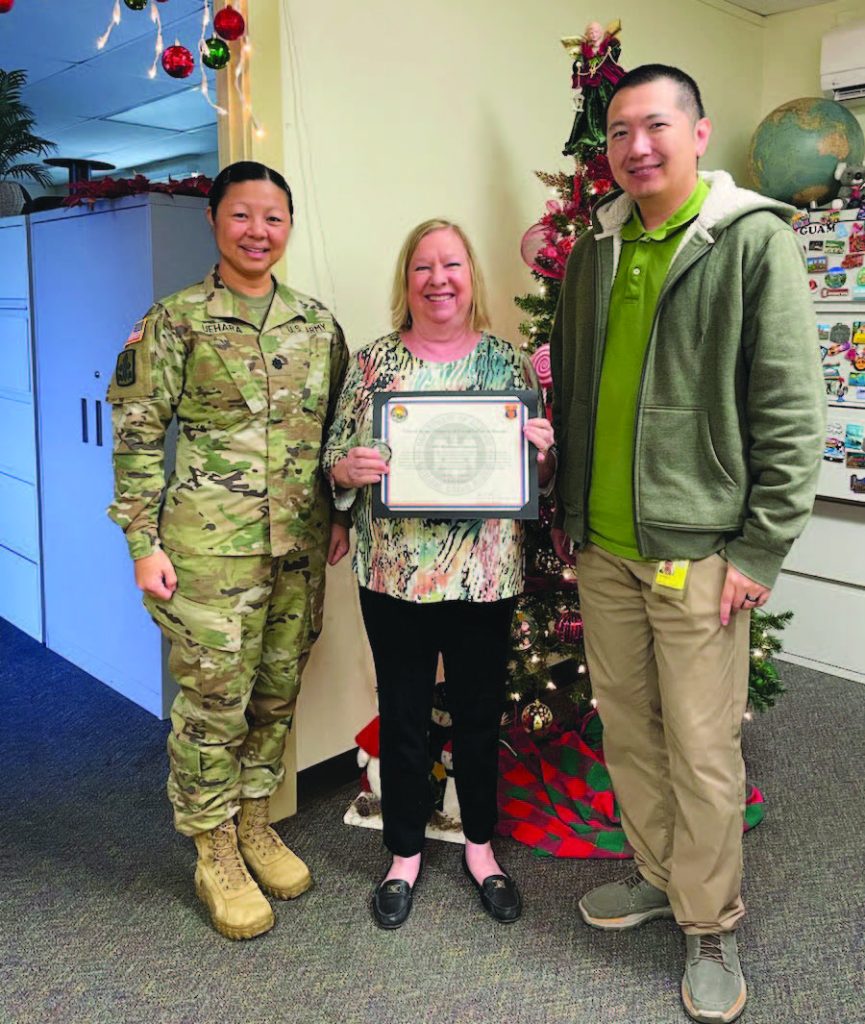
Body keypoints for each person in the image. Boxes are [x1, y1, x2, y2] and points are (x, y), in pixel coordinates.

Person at [549, 66, 824, 1023]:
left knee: (704, 749)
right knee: (628, 729)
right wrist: (567, 506)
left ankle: (709, 922)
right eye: (619, 132)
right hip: (605, 549)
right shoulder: (596, 248)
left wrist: (757, 553)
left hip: (700, 551)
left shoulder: (751, 243)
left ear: (698, 133)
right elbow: (575, 390)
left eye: (655, 126)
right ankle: (661, 875)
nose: (635, 147)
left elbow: (791, 414)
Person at [106, 161, 349, 941]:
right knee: (214, 705)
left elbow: (335, 436)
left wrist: (338, 512)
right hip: (209, 554)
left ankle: (251, 822)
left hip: (298, 550)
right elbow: (138, 439)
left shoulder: (317, 324)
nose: (258, 232)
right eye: (242, 215)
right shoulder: (173, 321)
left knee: (276, 696)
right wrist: (142, 543)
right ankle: (212, 849)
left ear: (288, 226)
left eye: (273, 217)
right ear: (213, 221)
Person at [323, 219, 555, 929]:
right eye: (422, 267)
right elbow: (332, 464)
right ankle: (402, 853)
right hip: (393, 576)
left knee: (481, 711)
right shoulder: (371, 366)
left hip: (485, 576)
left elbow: (536, 477)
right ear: (407, 282)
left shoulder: (507, 366)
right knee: (402, 713)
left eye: (450, 265)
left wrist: (540, 454)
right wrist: (348, 469)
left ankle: (481, 847)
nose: (437, 280)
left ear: (470, 276)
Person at [561, 19, 625, 159]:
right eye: (590, 32)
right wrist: (578, 65)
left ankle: (612, 134)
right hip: (591, 87)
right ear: (587, 35)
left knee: (609, 108)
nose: (593, 34)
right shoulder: (584, 51)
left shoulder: (606, 48)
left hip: (606, 85)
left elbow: (614, 58)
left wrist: (613, 47)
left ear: (601, 33)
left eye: (596, 31)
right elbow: (579, 65)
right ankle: (592, 138)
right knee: (589, 112)